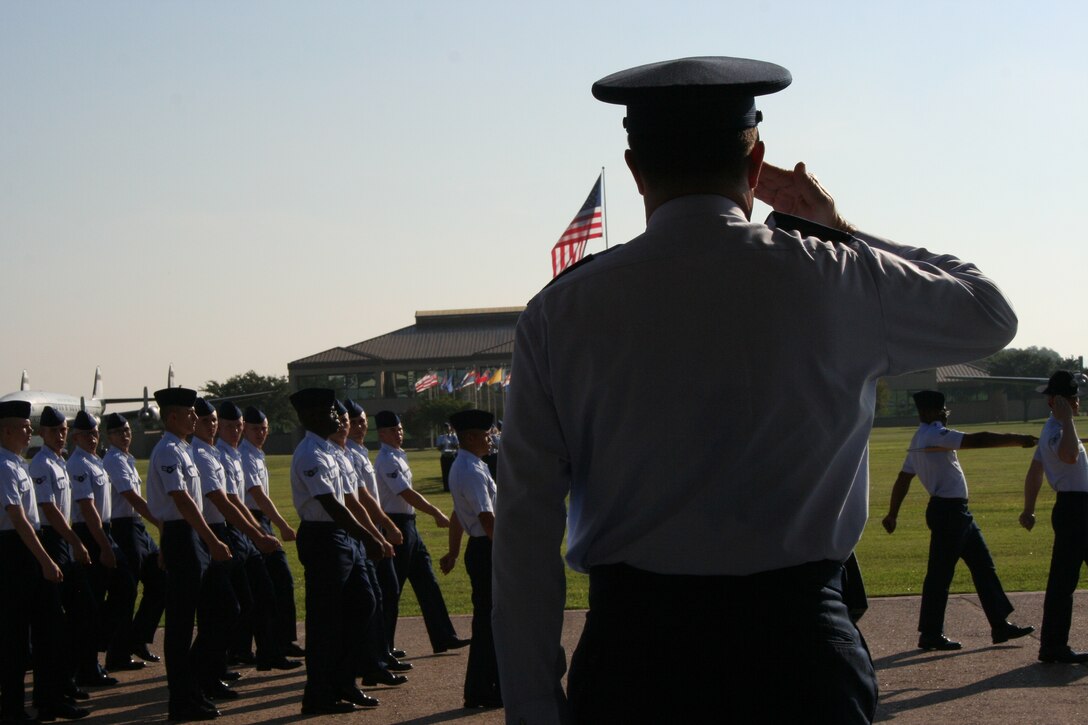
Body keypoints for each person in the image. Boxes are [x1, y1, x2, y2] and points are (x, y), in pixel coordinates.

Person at [492, 56, 1019, 724]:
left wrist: (535, 708)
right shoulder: (836, 278)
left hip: (637, 659)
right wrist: (834, 225)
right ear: (756, 159)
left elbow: (525, 526)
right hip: (799, 651)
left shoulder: (560, 311)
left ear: (634, 168)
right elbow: (988, 313)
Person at [882, 390, 1036, 651]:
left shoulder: (921, 437)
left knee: (983, 566)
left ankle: (1000, 624)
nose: (944, 415)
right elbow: (979, 440)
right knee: (941, 574)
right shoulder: (933, 434)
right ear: (930, 413)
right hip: (948, 513)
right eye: (941, 411)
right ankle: (930, 633)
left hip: (954, 512)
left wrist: (893, 513)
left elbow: (904, 478)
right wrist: (1018, 439)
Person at [288, 388, 384, 715]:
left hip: (343, 537)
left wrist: (370, 534)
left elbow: (350, 502)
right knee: (324, 621)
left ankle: (344, 682)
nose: (337, 416)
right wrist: (368, 538)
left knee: (362, 604)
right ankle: (317, 694)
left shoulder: (329, 450)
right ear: (312, 416)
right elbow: (331, 505)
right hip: (323, 538)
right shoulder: (309, 454)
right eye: (331, 412)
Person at [146, 387, 232, 721]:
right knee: (181, 625)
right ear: (172, 417)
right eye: (188, 412)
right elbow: (180, 501)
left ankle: (192, 687)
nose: (195, 417)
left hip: (187, 537)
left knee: (219, 609)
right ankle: (181, 701)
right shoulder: (168, 450)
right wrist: (210, 539)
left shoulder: (181, 449)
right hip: (185, 537)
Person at [1, 400, 89, 722]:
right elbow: (19, 520)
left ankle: (49, 700)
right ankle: (12, 708)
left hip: (27, 549)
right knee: (16, 636)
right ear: (7, 430)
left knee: (47, 629)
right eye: (24, 428)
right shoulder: (3, 465)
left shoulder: (17, 463)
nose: (29, 432)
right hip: (15, 551)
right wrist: (46, 560)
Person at [213, 401, 298, 673]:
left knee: (259, 592)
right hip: (240, 524)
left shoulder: (241, 454)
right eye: (234, 427)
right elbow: (245, 498)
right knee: (249, 595)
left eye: (263, 429)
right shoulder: (229, 455)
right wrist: (270, 528)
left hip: (249, 523)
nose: (239, 431)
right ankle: (239, 652)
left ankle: (263, 650)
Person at [373, 410, 468, 655]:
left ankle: (444, 636)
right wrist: (436, 512)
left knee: (428, 582)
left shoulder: (397, 456)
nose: (399, 433)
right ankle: (383, 645)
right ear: (382, 433)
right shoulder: (386, 459)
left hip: (409, 524)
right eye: (393, 430)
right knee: (392, 588)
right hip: (396, 524)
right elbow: (405, 492)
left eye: (400, 428)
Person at [1021, 370, 1088, 663]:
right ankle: (1052, 645)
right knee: (1062, 582)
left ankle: (1052, 644)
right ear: (1058, 403)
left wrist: (1029, 508)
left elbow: (1035, 470)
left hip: (1074, 508)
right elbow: (1070, 456)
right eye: (1072, 399)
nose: (1077, 403)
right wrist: (1068, 422)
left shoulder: (1053, 428)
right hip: (1077, 510)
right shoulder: (1059, 430)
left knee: (1062, 581)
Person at [67, 411, 141, 676]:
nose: (93, 438)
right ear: (76, 437)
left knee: (124, 589)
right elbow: (87, 508)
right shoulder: (78, 464)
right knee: (94, 601)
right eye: (87, 434)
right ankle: (86, 664)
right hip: (91, 532)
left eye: (95, 433)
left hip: (103, 530)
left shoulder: (95, 461)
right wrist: (105, 546)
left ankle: (95, 647)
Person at [30, 406, 94, 706]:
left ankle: (67, 680)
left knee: (80, 614)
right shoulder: (41, 464)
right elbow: (50, 510)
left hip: (65, 539)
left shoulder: (60, 462)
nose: (60, 435)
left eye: (63, 430)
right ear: (42, 433)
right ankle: (56, 687)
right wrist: (75, 541)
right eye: (55, 431)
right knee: (57, 622)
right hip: (55, 539)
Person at [440, 409, 502, 709]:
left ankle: (485, 685)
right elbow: (487, 518)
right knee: (491, 623)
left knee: (489, 621)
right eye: (486, 435)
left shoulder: (465, 465)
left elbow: (456, 514)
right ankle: (482, 688)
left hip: (480, 548)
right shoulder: (472, 470)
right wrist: (506, 552)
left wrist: (453, 551)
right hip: (487, 548)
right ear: (470, 437)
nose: (490, 440)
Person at [343, 400, 411, 669]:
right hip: (363, 530)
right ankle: (374, 654)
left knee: (385, 592)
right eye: (354, 422)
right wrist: (383, 529)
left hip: (374, 527)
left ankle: (382, 651)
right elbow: (362, 498)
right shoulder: (348, 453)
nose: (359, 426)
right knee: (376, 594)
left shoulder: (360, 452)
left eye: (362, 421)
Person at [102, 412, 167, 666]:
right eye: (119, 432)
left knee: (160, 580)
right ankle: (117, 653)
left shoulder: (126, 459)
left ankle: (137, 638)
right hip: (122, 528)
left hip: (136, 527)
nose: (125, 435)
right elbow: (132, 497)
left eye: (127, 430)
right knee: (127, 592)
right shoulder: (114, 460)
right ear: (110, 436)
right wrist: (160, 522)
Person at [240, 406, 302, 658]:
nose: (261, 433)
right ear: (245, 428)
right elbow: (256, 494)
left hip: (259, 518)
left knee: (277, 583)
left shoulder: (255, 453)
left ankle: (281, 640)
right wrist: (282, 524)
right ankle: (266, 645)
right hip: (251, 520)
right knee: (265, 586)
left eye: (264, 428)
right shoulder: (244, 454)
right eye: (256, 429)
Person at [436, 424, 458, 492]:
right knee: (445, 472)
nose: (446, 430)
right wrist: (442, 444)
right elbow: (438, 448)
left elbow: (457, 446)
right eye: (445, 428)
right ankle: (446, 488)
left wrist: (452, 444)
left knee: (453, 472)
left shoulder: (454, 436)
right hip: (444, 456)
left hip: (452, 455)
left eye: (447, 428)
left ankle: (453, 487)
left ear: (450, 428)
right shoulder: (440, 437)